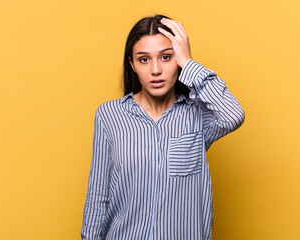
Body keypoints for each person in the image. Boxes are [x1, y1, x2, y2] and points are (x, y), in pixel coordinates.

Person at [81, 14, 245, 239]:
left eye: (166, 57)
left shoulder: (198, 115)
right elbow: (98, 195)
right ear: (132, 65)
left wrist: (188, 62)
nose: (155, 70)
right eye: (144, 59)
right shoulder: (110, 115)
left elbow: (233, 114)